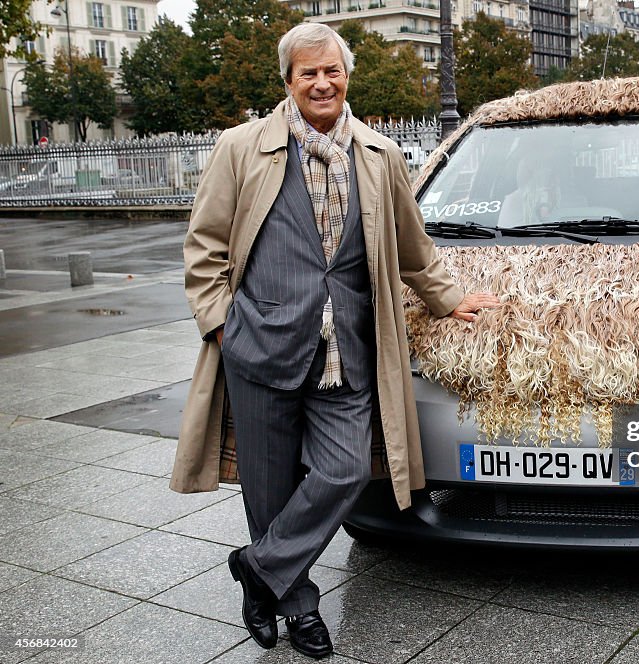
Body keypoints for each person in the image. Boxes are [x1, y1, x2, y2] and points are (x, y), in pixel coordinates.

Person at [169, 23, 499, 660]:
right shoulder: (242, 149)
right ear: (288, 81)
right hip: (259, 347)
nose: (322, 83)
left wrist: (451, 298)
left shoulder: (378, 155)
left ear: (347, 77)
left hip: (347, 347)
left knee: (345, 469)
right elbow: (204, 247)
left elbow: (411, 246)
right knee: (268, 490)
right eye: (307, 73)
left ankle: (258, 569)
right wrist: (222, 326)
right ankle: (299, 606)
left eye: (332, 72)